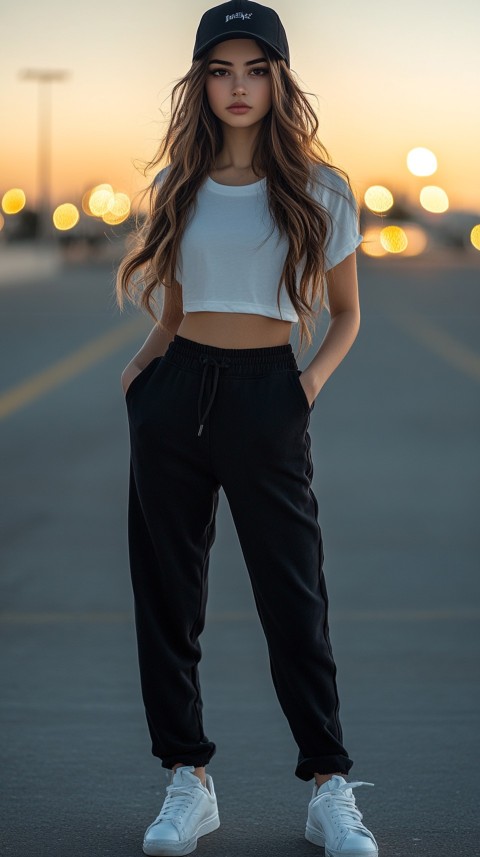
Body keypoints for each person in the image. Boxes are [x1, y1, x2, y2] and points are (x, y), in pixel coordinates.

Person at [116, 2, 379, 855]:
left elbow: (345, 315)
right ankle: (186, 780)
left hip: (270, 394)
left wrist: (303, 387)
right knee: (169, 598)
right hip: (176, 392)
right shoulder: (174, 186)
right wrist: (142, 369)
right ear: (200, 82)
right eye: (221, 70)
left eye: (255, 69)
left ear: (279, 80)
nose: (238, 87)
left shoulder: (321, 188)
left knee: (293, 596)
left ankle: (328, 785)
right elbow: (181, 303)